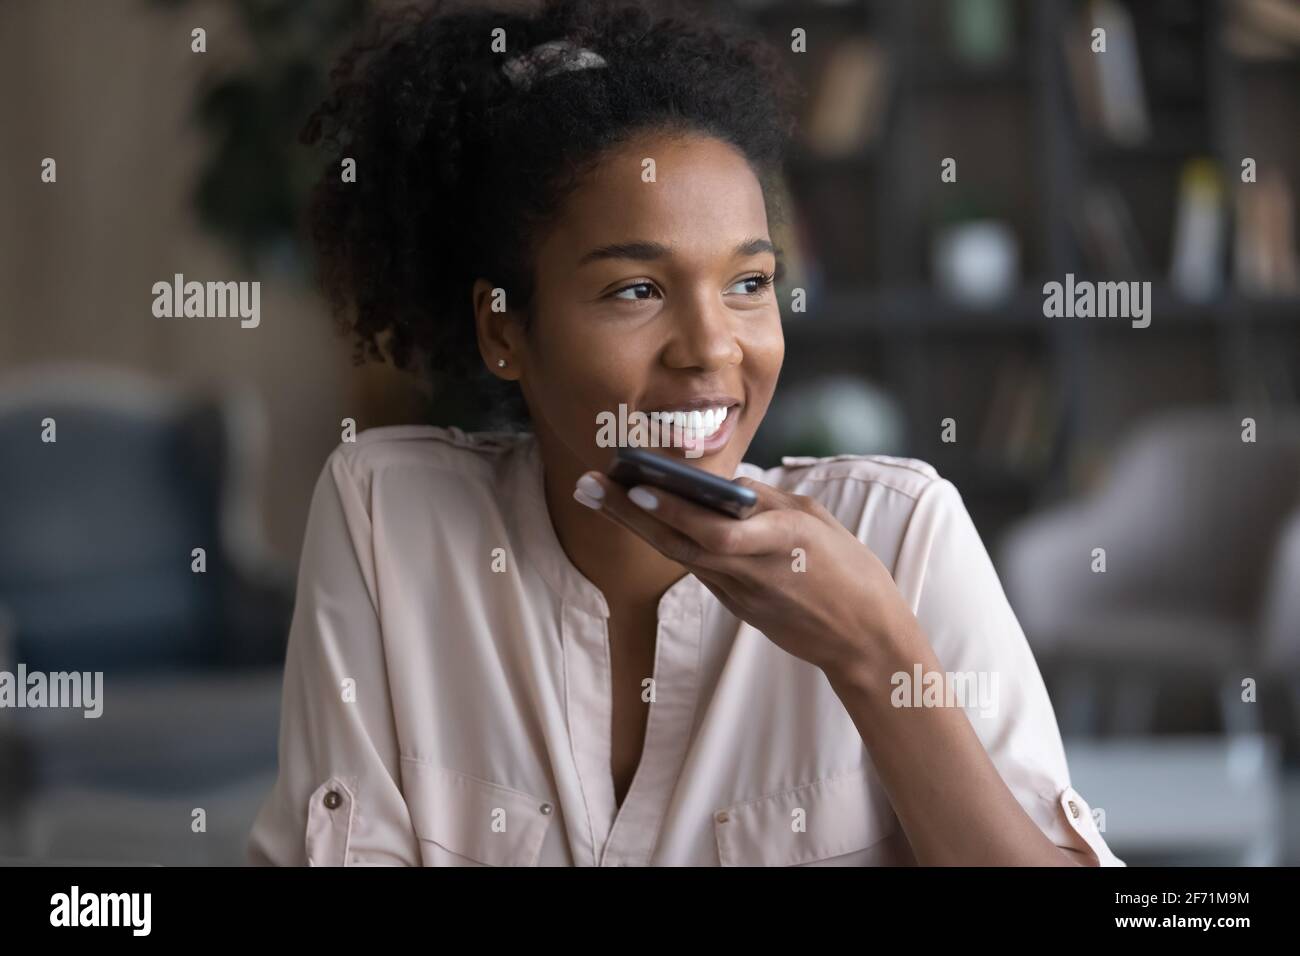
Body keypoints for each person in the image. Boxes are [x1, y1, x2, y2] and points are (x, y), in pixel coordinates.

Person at [247, 0, 1122, 866]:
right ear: (505, 331)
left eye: (749, 284)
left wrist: (869, 650)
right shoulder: (387, 516)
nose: (712, 349)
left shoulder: (903, 535)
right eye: (637, 291)